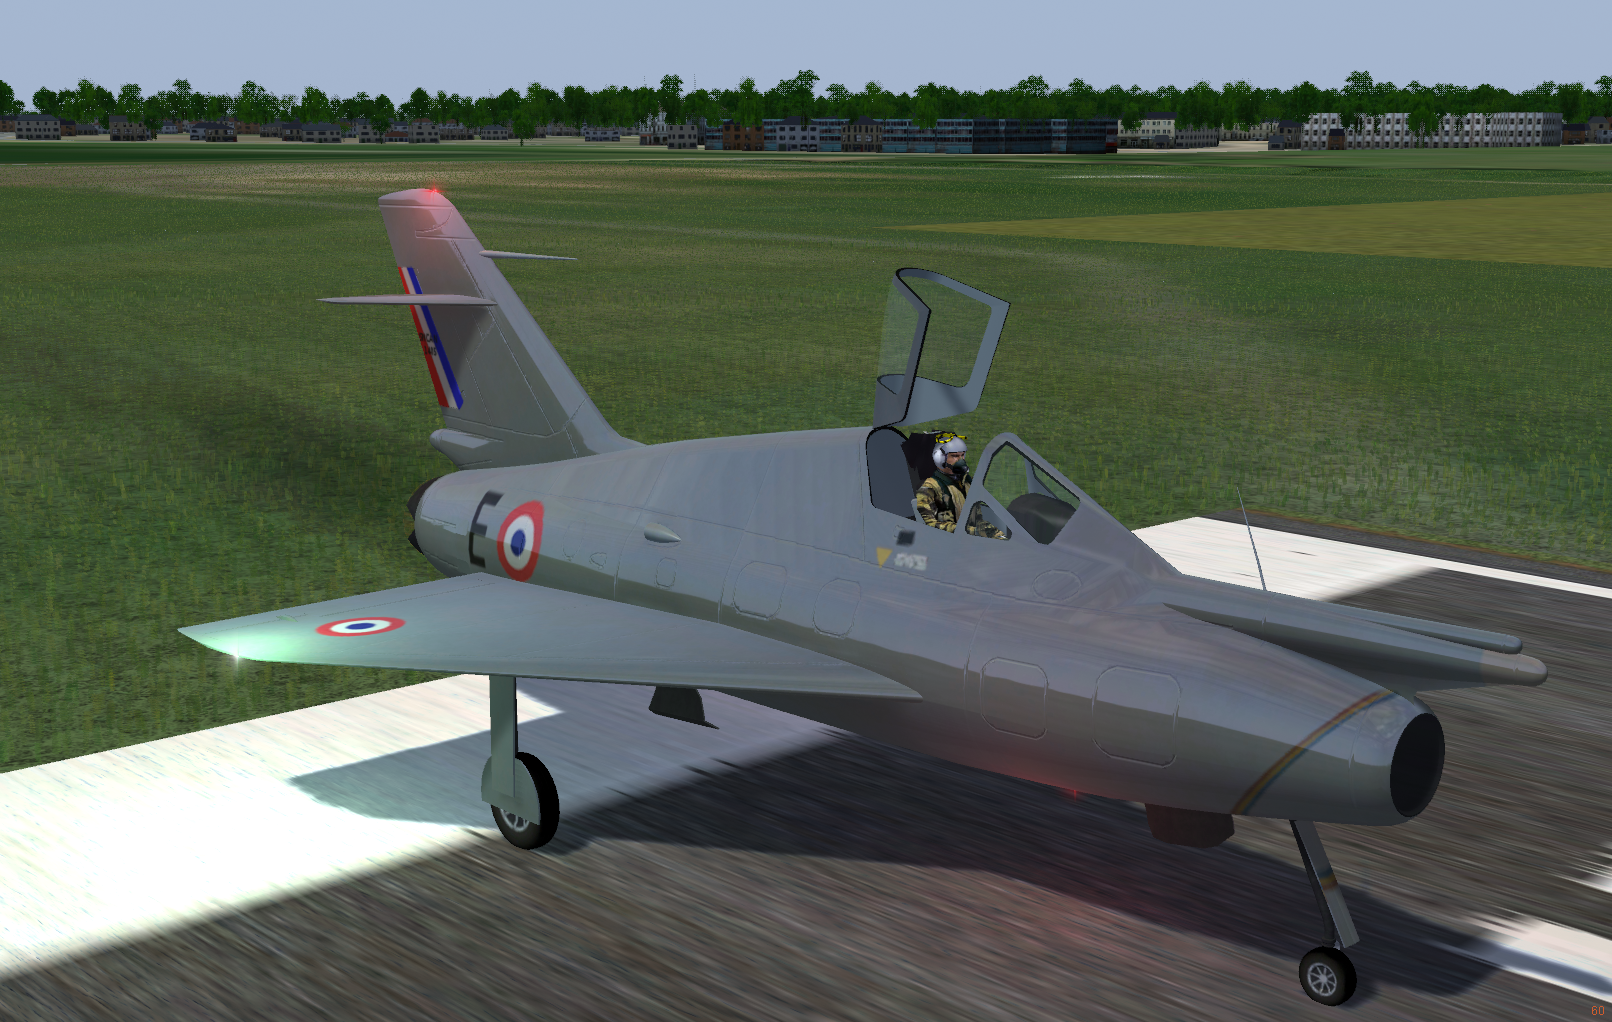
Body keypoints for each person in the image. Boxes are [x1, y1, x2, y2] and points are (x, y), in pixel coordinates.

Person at [915, 432, 1006, 539]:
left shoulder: (968, 482)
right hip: (948, 541)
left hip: (971, 538)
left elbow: (977, 519)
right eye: (955, 456)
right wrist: (971, 531)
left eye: (962, 455)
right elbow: (930, 525)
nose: (961, 460)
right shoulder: (930, 488)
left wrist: (993, 533)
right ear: (940, 458)